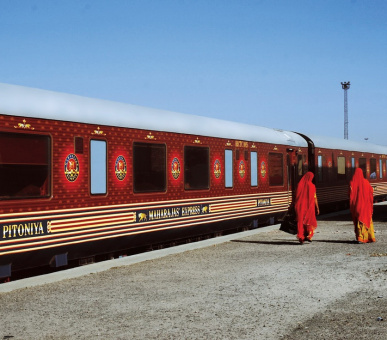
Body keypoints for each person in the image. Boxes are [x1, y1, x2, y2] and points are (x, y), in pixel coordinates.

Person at [349, 168, 375, 243]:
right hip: (366, 206)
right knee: (367, 220)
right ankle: (370, 237)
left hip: (358, 206)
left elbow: (350, 195)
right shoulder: (366, 182)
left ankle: (360, 238)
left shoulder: (352, 183)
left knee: (359, 221)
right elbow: (371, 193)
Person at [294, 171, 320, 244]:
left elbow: (295, 197)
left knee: (300, 221)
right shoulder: (312, 186)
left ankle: (301, 237)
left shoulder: (299, 185)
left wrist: (292, 206)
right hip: (309, 207)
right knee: (309, 220)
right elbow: (315, 198)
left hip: (300, 206)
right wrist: (317, 207)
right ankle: (309, 235)